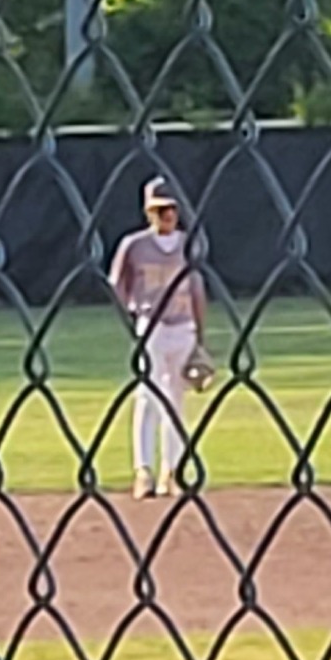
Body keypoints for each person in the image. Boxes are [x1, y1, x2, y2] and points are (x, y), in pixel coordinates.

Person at [109, 176, 208, 498]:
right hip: (150, 327)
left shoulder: (188, 244)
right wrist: (133, 314)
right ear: (148, 212)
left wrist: (201, 338)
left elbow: (197, 290)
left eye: (171, 209)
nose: (167, 215)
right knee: (147, 396)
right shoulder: (134, 245)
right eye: (160, 210)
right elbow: (117, 284)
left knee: (176, 400)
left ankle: (172, 471)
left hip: (183, 327)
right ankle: (143, 471)